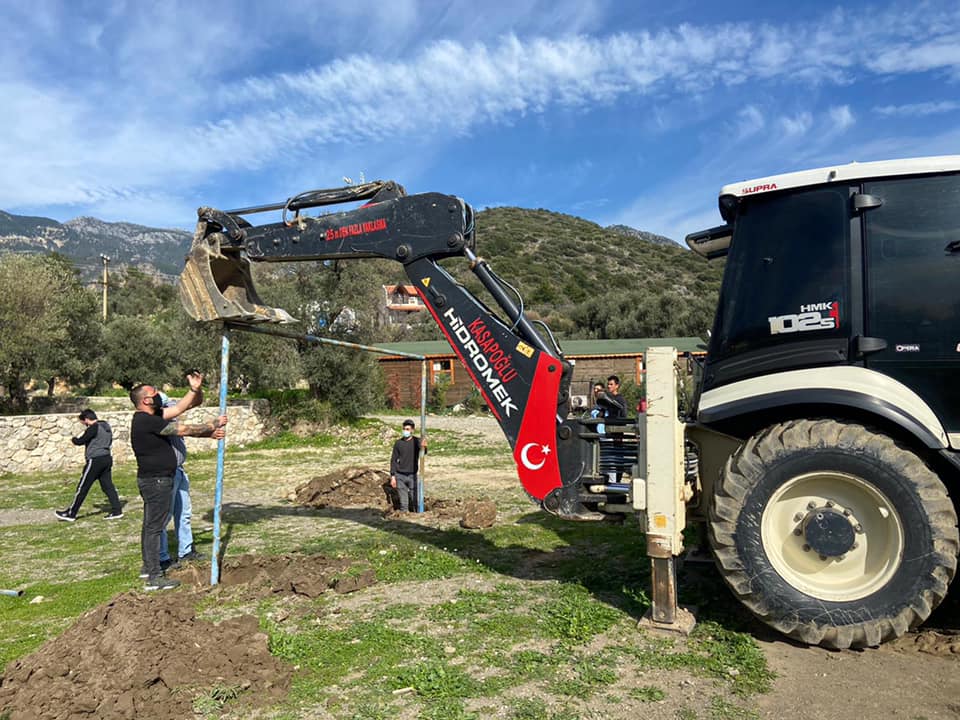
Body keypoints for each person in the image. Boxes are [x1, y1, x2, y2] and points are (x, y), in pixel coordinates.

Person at [129, 374, 226, 591]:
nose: (158, 396)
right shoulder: (146, 421)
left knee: (151, 525)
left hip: (159, 478)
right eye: (154, 394)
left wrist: (194, 389)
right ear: (145, 400)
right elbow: (184, 429)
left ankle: (149, 567)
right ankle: (154, 576)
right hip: (157, 481)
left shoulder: (154, 416)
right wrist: (213, 424)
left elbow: (179, 408)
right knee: (155, 527)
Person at [157, 393, 202, 571]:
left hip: (179, 471)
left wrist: (196, 388)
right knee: (163, 517)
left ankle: (186, 551)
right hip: (165, 475)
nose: (174, 410)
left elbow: (196, 401)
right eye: (168, 406)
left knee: (184, 513)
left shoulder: (171, 415)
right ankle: (162, 557)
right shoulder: (158, 421)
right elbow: (184, 430)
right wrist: (212, 428)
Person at [55, 409, 123, 522]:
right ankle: (117, 510)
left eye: (83, 422)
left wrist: (73, 439)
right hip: (106, 458)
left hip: (95, 460)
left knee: (83, 487)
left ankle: (71, 513)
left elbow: (81, 441)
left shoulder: (93, 427)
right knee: (108, 486)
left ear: (86, 419)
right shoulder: (105, 426)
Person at [389, 418, 427, 512]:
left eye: (407, 429)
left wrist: (424, 446)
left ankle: (417, 518)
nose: (405, 431)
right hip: (400, 476)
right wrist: (393, 476)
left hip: (412, 475)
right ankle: (404, 521)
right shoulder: (398, 443)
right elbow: (393, 460)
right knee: (404, 503)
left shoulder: (416, 441)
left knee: (416, 501)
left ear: (412, 430)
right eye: (404, 429)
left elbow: (423, 452)